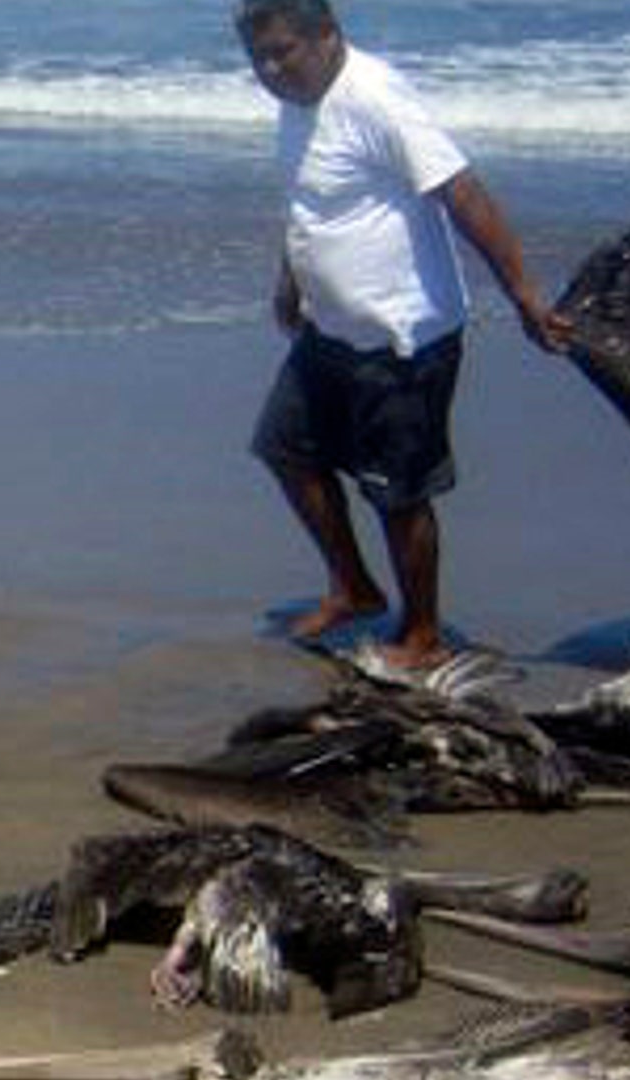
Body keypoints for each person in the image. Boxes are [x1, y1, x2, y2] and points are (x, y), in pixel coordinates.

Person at [235, 0, 569, 673]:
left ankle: (423, 633)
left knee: (398, 493)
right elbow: (311, 201)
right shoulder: (299, 104)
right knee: (284, 448)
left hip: (402, 338)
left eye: (283, 51)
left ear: (328, 35)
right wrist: (291, 280)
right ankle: (354, 589)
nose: (272, 69)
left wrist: (525, 293)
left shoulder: (376, 97)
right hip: (332, 329)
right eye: (259, 58)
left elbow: (464, 193)